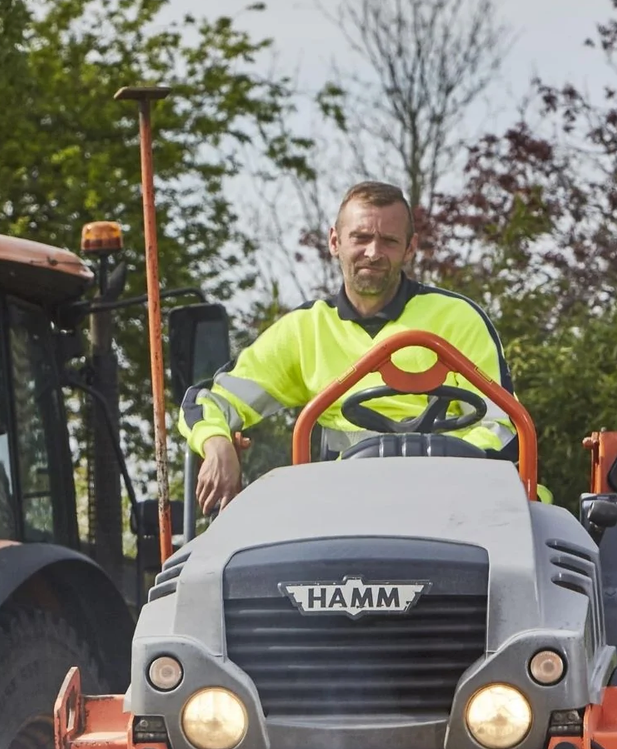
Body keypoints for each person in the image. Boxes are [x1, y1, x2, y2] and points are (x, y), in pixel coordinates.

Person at [184, 181, 512, 514]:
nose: (373, 252)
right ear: (335, 242)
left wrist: (434, 467)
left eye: (388, 240)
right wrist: (217, 443)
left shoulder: (458, 318)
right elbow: (210, 401)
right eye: (361, 238)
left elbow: (503, 427)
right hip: (341, 511)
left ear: (410, 248)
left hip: (455, 506)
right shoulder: (304, 330)